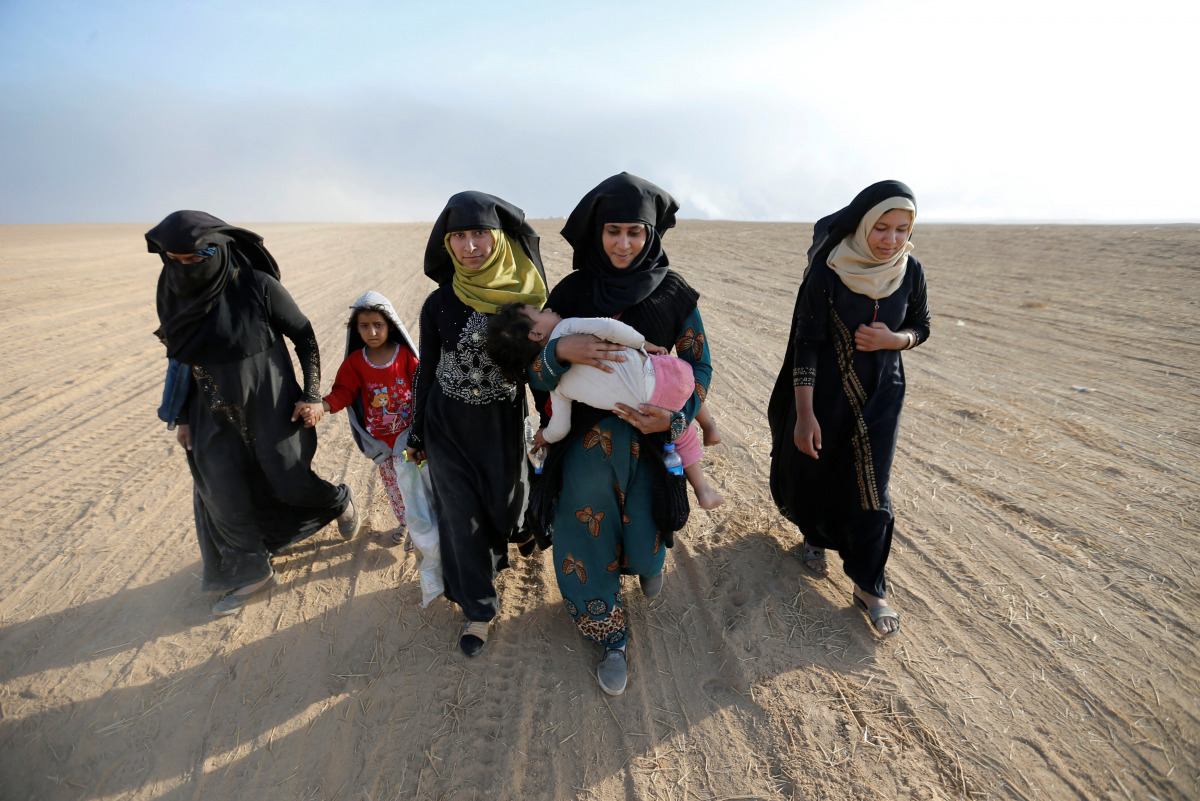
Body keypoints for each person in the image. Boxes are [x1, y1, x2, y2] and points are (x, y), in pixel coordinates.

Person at [527, 172, 712, 695]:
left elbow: (700, 367)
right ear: (596, 232)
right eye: (613, 231)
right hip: (583, 444)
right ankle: (608, 632)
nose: (624, 243)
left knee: (645, 531)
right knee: (584, 535)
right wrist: (558, 353)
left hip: (651, 442)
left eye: (636, 232)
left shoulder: (676, 294)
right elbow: (534, 372)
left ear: (651, 234)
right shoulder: (571, 291)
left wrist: (675, 419)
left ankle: (646, 565)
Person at [149, 210, 358, 616]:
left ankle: (338, 501)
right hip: (210, 409)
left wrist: (313, 394)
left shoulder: (258, 286)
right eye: (175, 260)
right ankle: (253, 572)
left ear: (220, 248)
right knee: (221, 490)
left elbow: (304, 335)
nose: (186, 268)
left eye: (196, 258)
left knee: (289, 482)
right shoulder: (173, 292)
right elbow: (180, 358)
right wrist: (184, 418)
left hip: (272, 403)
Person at [767, 180, 930, 637]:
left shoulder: (909, 270)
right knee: (819, 471)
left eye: (902, 229)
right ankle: (815, 537)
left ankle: (869, 585)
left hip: (882, 397)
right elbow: (807, 345)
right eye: (881, 228)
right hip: (825, 397)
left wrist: (895, 340)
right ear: (862, 225)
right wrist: (804, 415)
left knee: (873, 490)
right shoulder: (828, 272)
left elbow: (922, 325)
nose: (891, 240)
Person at [406, 191, 548, 657]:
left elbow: (541, 370)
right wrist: (417, 428)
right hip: (447, 422)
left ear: (499, 237)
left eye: (479, 234)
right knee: (460, 518)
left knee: (506, 504)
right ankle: (478, 609)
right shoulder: (438, 304)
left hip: (500, 423)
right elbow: (427, 367)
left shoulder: (526, 301)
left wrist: (551, 421)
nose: (469, 246)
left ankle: (521, 525)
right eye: (458, 236)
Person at [486, 302, 724, 509]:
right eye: (539, 311)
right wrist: (643, 343)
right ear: (536, 334)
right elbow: (610, 327)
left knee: (681, 436)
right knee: (686, 387)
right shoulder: (566, 328)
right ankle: (708, 423)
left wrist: (544, 436)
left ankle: (702, 490)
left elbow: (560, 427)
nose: (548, 308)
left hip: (643, 409)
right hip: (665, 377)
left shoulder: (557, 387)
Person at [298, 291, 420, 547]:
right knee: (395, 487)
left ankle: (423, 528)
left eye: (378, 325)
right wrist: (323, 406)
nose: (372, 332)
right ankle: (407, 524)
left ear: (391, 325)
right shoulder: (355, 363)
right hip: (381, 441)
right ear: (356, 329)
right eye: (364, 326)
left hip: (408, 436)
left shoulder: (405, 357)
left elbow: (423, 386)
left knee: (415, 482)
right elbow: (343, 392)